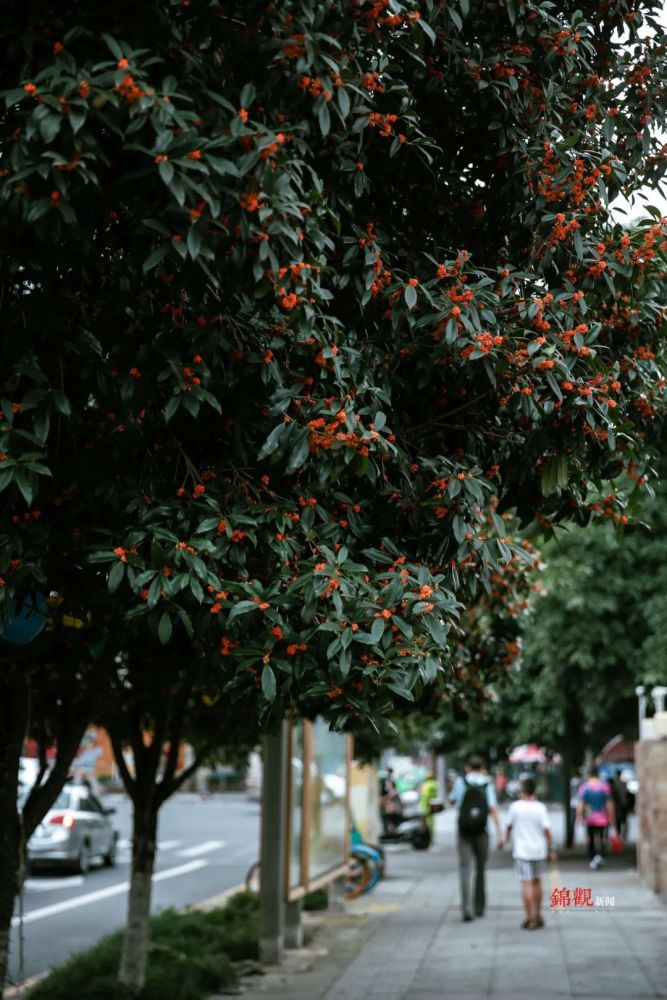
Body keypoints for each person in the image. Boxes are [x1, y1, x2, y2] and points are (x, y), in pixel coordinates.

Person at [449, 756, 504, 921]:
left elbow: (453, 802)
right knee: (480, 870)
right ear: (482, 768)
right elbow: (493, 808)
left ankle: (466, 909)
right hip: (482, 831)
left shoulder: (460, 782)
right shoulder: (487, 783)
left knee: (465, 869)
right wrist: (500, 832)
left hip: (464, 831)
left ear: (467, 767)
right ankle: (479, 907)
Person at [505, 777, 556, 929]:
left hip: (522, 851)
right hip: (539, 850)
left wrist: (506, 839)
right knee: (537, 881)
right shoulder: (540, 807)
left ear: (522, 790)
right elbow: (547, 830)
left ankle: (529, 917)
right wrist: (551, 848)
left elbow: (509, 826)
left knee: (526, 882)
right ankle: (538, 914)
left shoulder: (515, 807)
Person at [576, 765, 615, 869]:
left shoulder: (584, 787)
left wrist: (579, 817)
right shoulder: (604, 786)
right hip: (602, 817)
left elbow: (581, 804)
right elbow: (609, 803)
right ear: (598, 774)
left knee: (591, 838)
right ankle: (601, 856)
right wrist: (611, 817)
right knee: (602, 838)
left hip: (589, 818)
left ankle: (592, 857)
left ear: (589, 774)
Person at [379, 767, 402, 835]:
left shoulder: (389, 781)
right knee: (386, 818)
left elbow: (391, 793)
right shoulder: (386, 781)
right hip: (387, 804)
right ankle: (389, 831)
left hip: (390, 804)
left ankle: (391, 831)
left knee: (389, 818)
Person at [419, 771, 440, 840]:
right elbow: (436, 795)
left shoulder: (425, 785)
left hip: (425, 805)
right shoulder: (435, 784)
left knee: (426, 822)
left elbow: (424, 796)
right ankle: (431, 837)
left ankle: (427, 837)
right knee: (431, 822)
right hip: (431, 805)